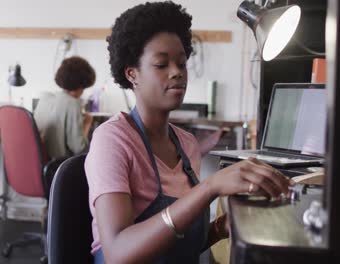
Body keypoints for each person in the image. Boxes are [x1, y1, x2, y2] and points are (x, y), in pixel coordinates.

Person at [85, 2, 295, 264]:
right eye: (161, 65)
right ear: (132, 74)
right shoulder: (113, 140)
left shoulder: (186, 144)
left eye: (182, 64)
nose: (177, 73)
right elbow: (118, 252)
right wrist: (210, 187)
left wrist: (221, 228)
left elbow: (176, 244)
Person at [34, 56, 96, 159]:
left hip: (40, 162)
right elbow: (79, 149)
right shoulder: (73, 103)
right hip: (59, 167)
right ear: (82, 85)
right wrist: (87, 124)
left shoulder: (45, 98)